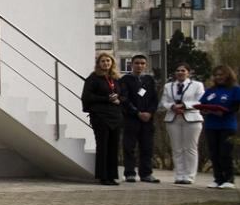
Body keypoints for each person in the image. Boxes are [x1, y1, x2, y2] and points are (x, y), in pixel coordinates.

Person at [82, 52, 123, 186]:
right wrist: (106, 99)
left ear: (112, 63)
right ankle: (103, 176)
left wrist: (119, 100)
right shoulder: (93, 78)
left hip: (115, 117)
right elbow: (87, 97)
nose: (106, 63)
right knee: (103, 146)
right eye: (103, 61)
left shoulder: (115, 79)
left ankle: (112, 176)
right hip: (100, 117)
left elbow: (123, 95)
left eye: (108, 61)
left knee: (113, 147)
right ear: (98, 63)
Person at [160, 63, 204, 185]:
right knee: (177, 148)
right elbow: (164, 101)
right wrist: (172, 106)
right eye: (178, 70)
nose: (180, 72)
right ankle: (179, 175)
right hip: (173, 118)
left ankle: (189, 176)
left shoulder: (197, 85)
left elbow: (201, 100)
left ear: (188, 72)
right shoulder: (169, 86)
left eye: (183, 70)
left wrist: (185, 105)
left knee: (190, 148)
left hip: (192, 118)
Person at [118, 55, 160, 183]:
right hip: (131, 119)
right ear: (132, 64)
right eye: (137, 63)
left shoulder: (149, 80)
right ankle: (130, 173)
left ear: (146, 65)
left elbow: (154, 99)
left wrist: (149, 113)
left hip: (147, 120)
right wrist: (137, 112)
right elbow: (124, 99)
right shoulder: (125, 79)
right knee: (129, 147)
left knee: (147, 147)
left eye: (142, 63)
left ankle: (146, 173)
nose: (139, 66)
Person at [198, 65, 240, 189]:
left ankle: (229, 179)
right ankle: (218, 178)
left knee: (225, 153)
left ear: (228, 75)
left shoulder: (235, 89)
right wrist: (205, 110)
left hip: (227, 125)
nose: (218, 77)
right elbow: (203, 103)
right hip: (212, 125)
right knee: (214, 153)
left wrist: (223, 112)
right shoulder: (211, 91)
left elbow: (236, 107)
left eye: (221, 75)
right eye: (216, 75)